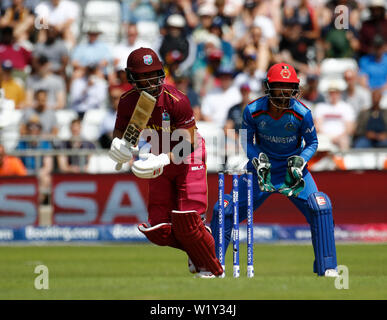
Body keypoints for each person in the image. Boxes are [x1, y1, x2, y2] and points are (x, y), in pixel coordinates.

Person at [210, 63, 339, 277]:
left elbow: (313, 143)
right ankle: (212, 266)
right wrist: (256, 158)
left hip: (293, 172)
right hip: (261, 170)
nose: (284, 93)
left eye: (289, 88)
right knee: (224, 210)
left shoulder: (302, 113)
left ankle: (327, 267)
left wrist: (301, 160)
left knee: (320, 208)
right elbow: (246, 140)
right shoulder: (252, 110)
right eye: (280, 87)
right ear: (268, 87)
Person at [108, 47, 223, 278]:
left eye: (154, 74)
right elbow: (120, 133)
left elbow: (189, 143)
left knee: (187, 221)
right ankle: (197, 243)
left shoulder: (176, 99)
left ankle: (212, 269)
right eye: (144, 75)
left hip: (189, 156)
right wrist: (120, 148)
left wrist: (161, 158)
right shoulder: (128, 101)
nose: (151, 80)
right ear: (132, 77)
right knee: (158, 229)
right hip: (159, 156)